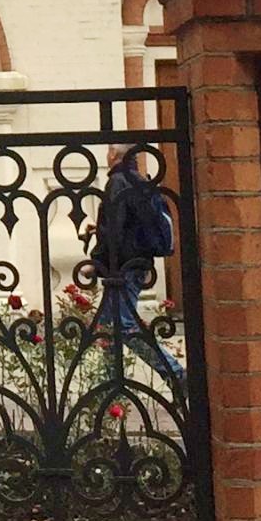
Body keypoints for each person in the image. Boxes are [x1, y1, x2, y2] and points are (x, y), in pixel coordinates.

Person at [91, 145, 184, 386]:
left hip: (123, 266)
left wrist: (96, 261)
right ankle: (110, 384)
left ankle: (175, 373)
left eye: (109, 151)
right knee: (107, 326)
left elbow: (114, 228)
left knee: (124, 326)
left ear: (114, 155)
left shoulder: (118, 181)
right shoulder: (140, 181)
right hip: (136, 263)